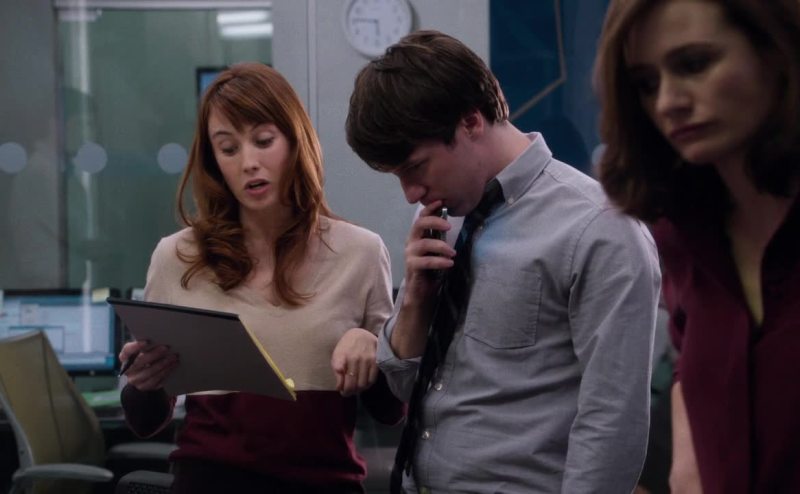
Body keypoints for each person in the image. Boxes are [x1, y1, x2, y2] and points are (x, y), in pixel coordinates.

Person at [346, 30, 661, 493]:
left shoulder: (600, 230)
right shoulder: (442, 217)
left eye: (415, 168)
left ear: (471, 121)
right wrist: (414, 298)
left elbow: (613, 423)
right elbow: (405, 390)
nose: (411, 193)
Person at [118, 62, 403, 494]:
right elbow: (145, 421)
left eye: (264, 141)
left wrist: (373, 347)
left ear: (294, 141)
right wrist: (142, 383)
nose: (249, 163)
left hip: (322, 484)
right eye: (228, 149)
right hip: (209, 483)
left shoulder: (360, 252)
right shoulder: (177, 257)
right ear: (214, 161)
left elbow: (390, 411)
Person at [594, 0, 800, 492]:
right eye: (647, 84)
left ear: (776, 52)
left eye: (694, 64)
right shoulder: (682, 240)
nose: (668, 102)